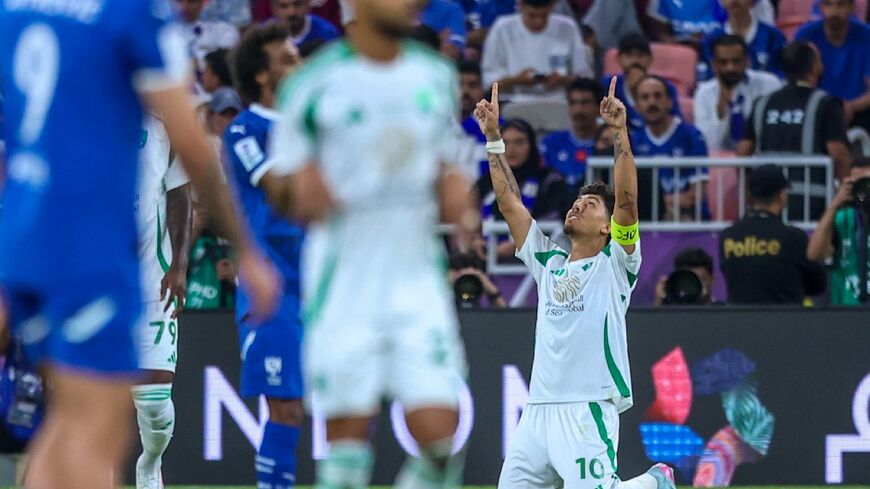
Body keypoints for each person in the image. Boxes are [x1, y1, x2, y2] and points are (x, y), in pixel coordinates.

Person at [0, 2, 278, 489]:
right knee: (97, 433)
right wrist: (247, 249)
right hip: (88, 249)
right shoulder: (128, 13)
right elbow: (195, 146)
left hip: (28, 238)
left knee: (66, 422)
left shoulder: (17, 9)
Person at [267, 0, 480, 484]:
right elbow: (280, 180)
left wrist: (455, 187)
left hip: (416, 277)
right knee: (346, 450)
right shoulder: (313, 84)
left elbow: (446, 160)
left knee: (443, 444)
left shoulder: (434, 75)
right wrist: (296, 187)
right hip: (344, 281)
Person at [476, 79, 676, 489]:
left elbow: (626, 202)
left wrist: (619, 132)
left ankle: (655, 482)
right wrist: (494, 138)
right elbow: (509, 202)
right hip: (537, 411)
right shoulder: (548, 262)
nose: (577, 206)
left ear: (606, 227)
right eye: (575, 202)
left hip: (587, 407)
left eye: (589, 205)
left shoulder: (616, 262)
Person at [226, 23, 306, 489]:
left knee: (319, 410)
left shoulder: (308, 126)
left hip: (319, 282)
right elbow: (285, 193)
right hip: (271, 288)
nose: (299, 65)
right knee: (285, 407)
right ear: (262, 75)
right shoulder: (245, 129)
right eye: (288, 58)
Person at [132, 115, 193, 489]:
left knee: (154, 400)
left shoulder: (161, 126)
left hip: (150, 280)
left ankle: (150, 463)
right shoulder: (77, 114)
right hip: (94, 283)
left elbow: (181, 194)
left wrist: (180, 266)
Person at [738, 40, 851, 221]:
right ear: (814, 67)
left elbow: (743, 152)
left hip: (765, 205)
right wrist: (845, 197)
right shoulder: (827, 104)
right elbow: (838, 153)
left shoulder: (762, 103)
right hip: (812, 204)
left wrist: (747, 192)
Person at [719, 164, 826, 304]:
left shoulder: (728, 236)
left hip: (740, 322)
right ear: (781, 196)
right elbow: (817, 286)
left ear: (749, 195)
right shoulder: (794, 237)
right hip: (786, 321)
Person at [478, 119, 573, 258]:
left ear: (532, 145)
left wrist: (519, 244)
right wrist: (475, 241)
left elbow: (557, 221)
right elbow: (468, 216)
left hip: (535, 259)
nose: (511, 149)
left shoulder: (550, 181)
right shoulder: (486, 182)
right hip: (485, 258)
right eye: (505, 142)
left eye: (519, 142)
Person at [481, 0, 593, 103]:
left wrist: (563, 80)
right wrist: (516, 80)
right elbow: (489, 84)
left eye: (544, 16)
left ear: (552, 7)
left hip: (559, 102)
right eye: (532, 16)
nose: (538, 22)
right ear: (521, 6)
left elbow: (585, 79)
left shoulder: (568, 27)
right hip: (513, 102)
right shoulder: (502, 28)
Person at [632, 76, 710, 221]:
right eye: (645, 97)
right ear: (636, 106)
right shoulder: (633, 141)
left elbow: (696, 196)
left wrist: (656, 203)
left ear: (669, 102)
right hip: (649, 222)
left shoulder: (692, 136)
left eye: (657, 96)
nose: (652, 102)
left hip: (691, 220)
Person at [694, 35, 781, 152]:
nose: (730, 68)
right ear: (714, 65)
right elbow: (709, 144)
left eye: (736, 61)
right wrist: (721, 110)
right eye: (723, 62)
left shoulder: (769, 84)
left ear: (747, 61)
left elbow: (777, 130)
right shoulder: (704, 93)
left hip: (761, 158)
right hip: (721, 164)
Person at [795, 0, 870, 129]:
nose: (834, 12)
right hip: (815, 110)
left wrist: (850, 106)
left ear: (852, 8)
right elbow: (798, 85)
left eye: (841, 4)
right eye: (828, 4)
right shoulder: (805, 35)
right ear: (820, 7)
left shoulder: (866, 35)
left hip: (859, 112)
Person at [807, 158, 870, 305]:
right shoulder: (841, 219)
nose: (865, 190)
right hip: (845, 310)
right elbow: (815, 255)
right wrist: (834, 205)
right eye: (859, 184)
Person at [604, 34, 682, 131]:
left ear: (650, 59)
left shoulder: (665, 87)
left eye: (640, 55)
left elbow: (676, 123)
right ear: (618, 59)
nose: (635, 60)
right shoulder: (608, 85)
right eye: (629, 55)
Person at [697, 0, 786, 82]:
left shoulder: (773, 37)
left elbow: (782, 77)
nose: (734, 1)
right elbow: (706, 79)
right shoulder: (710, 41)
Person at [540, 78, 604, 188]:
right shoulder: (551, 143)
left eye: (585, 103)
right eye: (573, 103)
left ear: (599, 107)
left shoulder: (607, 143)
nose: (578, 110)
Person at [176, 0, 241, 71]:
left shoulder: (224, 31)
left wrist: (197, 63)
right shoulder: (167, 36)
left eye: (191, 1)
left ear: (202, 4)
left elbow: (226, 61)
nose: (184, 7)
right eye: (179, 1)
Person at [270, 0, 340, 46]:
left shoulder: (327, 34)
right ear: (274, 9)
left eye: (297, 4)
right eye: (284, 6)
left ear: (308, 4)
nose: (292, 12)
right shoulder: (265, 38)